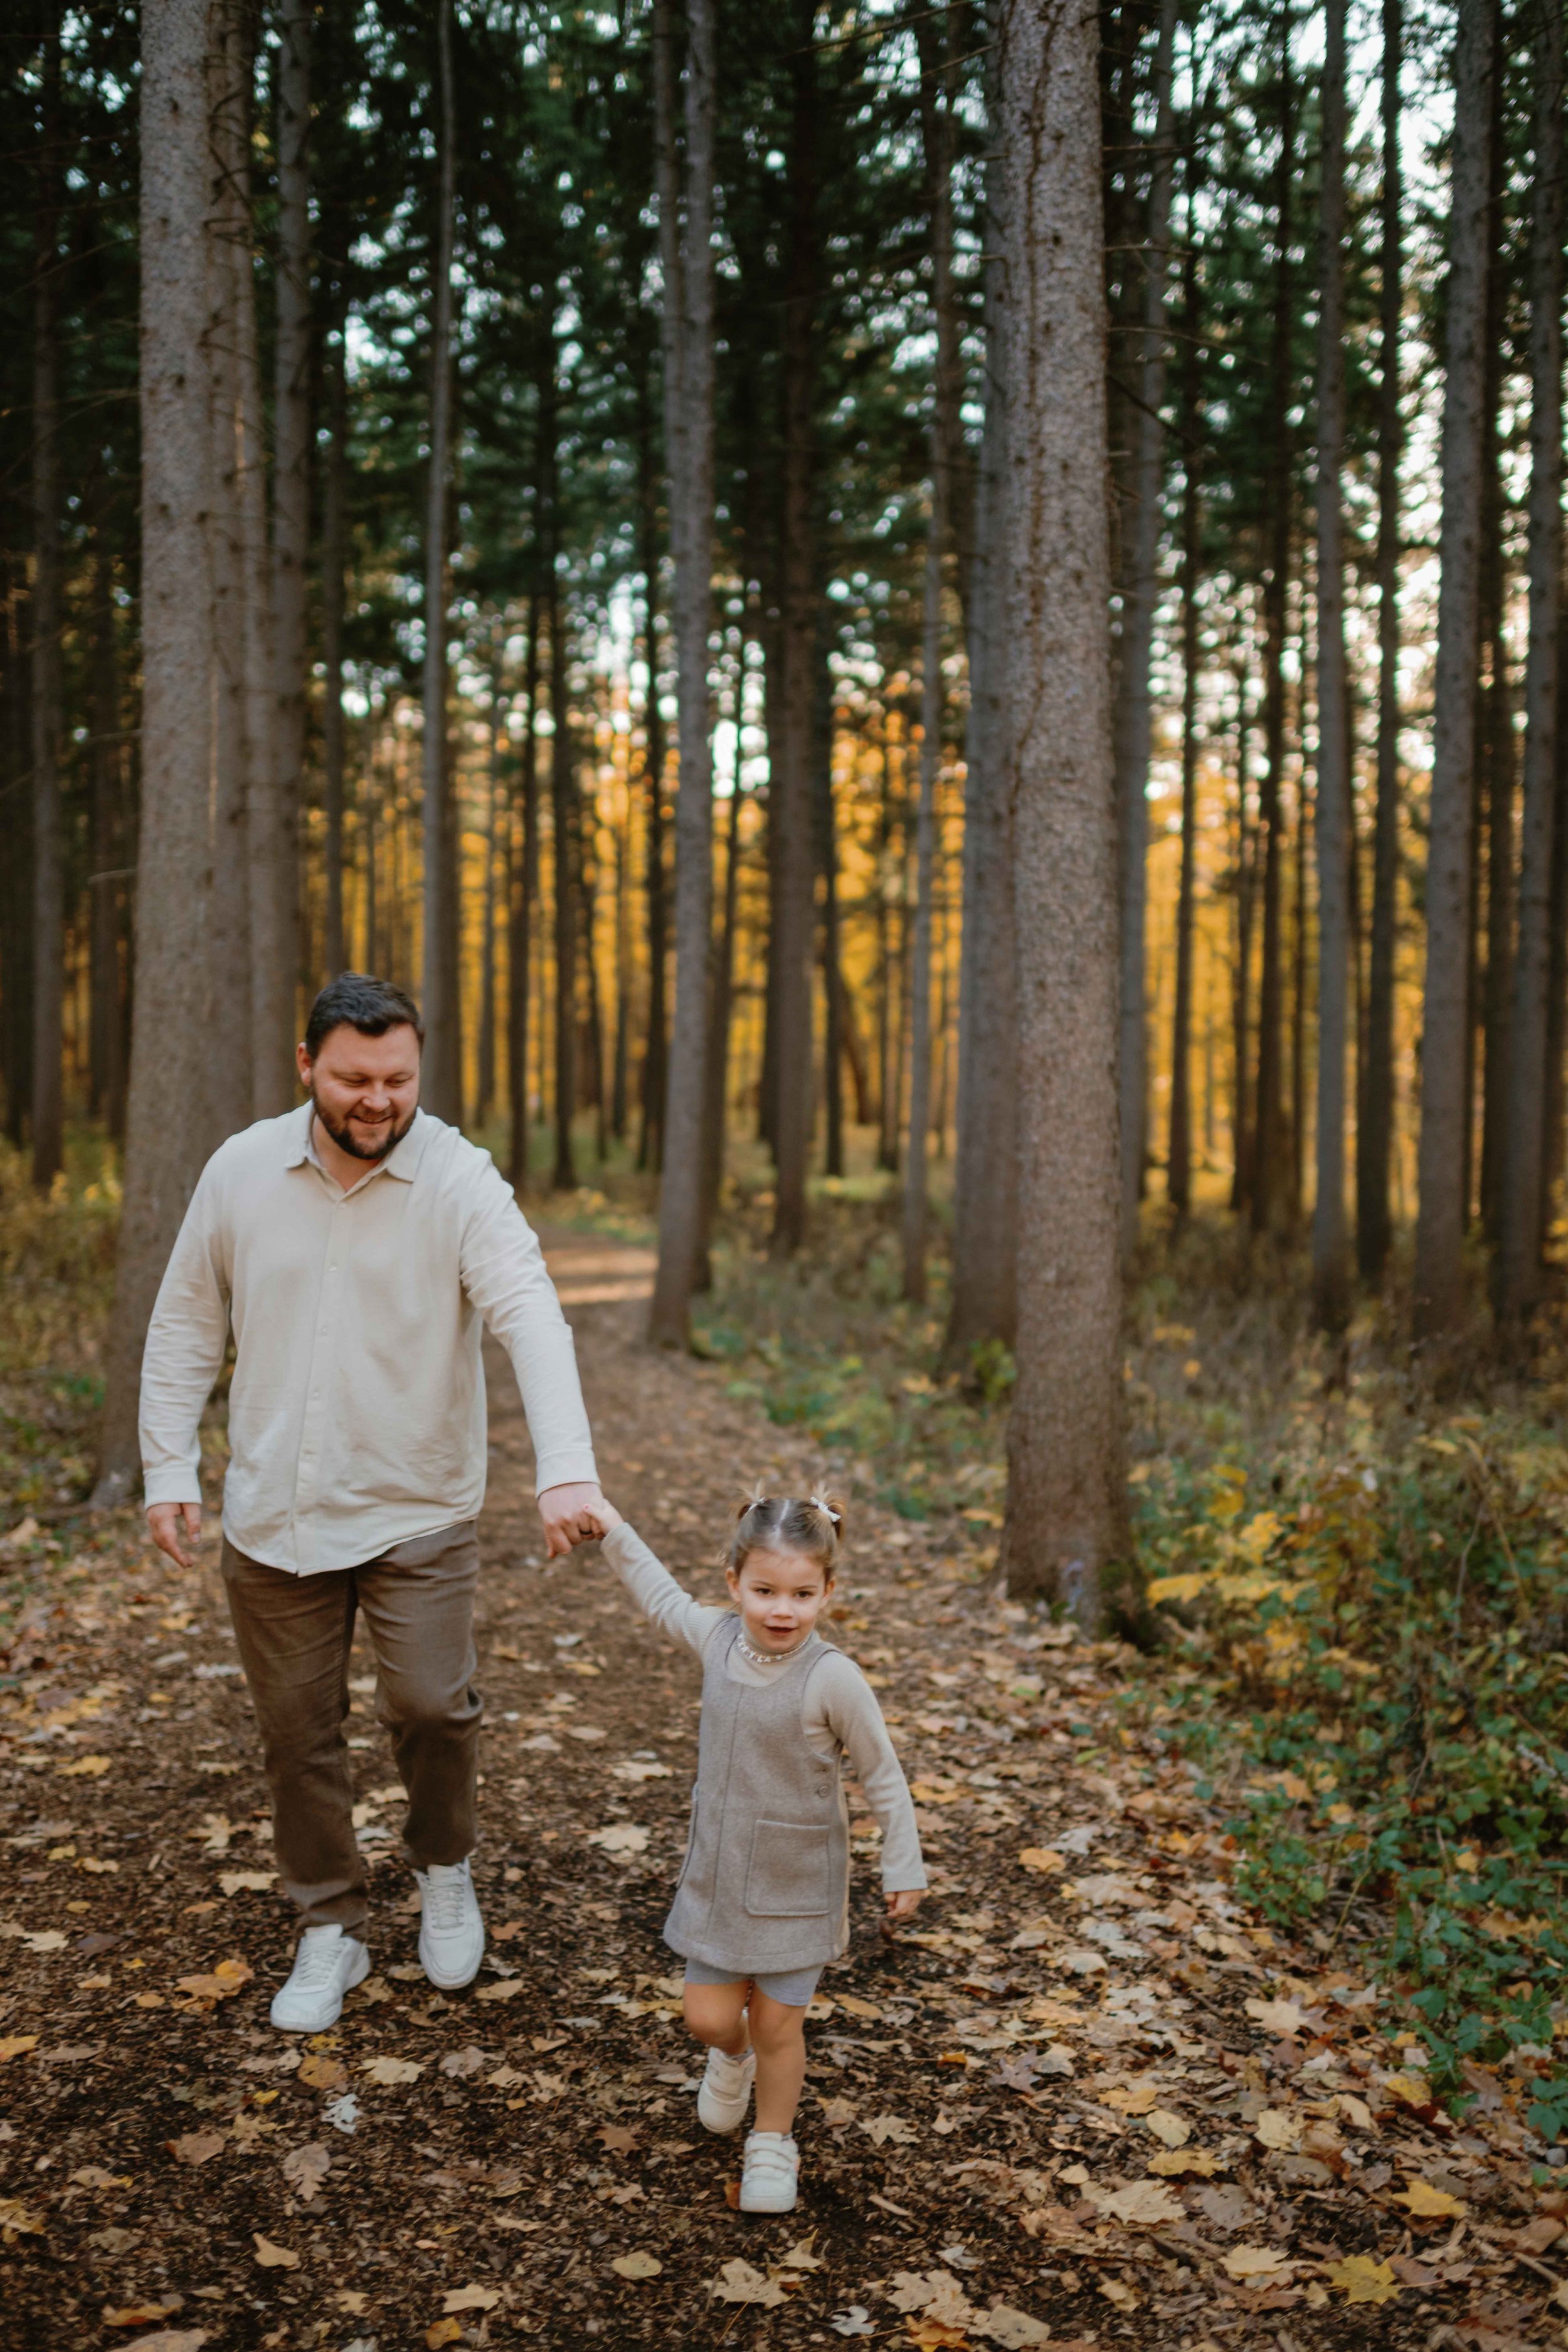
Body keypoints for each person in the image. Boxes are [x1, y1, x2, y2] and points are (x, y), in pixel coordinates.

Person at [139, 974, 606, 2032]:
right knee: (295, 1735)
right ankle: (330, 1927)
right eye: (355, 1078)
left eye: (399, 1078)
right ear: (306, 1067)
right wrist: (169, 1468)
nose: (378, 1100)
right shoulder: (241, 1173)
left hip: (417, 1508)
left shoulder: (459, 1180)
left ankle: (445, 1868)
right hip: (274, 1515)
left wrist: (564, 1465)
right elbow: (181, 1327)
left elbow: (530, 1313)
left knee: (433, 1707)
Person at [588, 1491, 925, 2215]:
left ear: (828, 1591)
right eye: (765, 1591)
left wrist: (903, 1864)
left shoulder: (831, 1677)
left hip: (798, 1883)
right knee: (710, 2019)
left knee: (779, 2026)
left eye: (803, 1594)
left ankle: (773, 2142)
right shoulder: (714, 1639)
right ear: (733, 1581)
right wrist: (612, 1525)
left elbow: (882, 1774)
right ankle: (729, 2060)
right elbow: (656, 1593)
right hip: (717, 1877)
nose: (782, 1610)